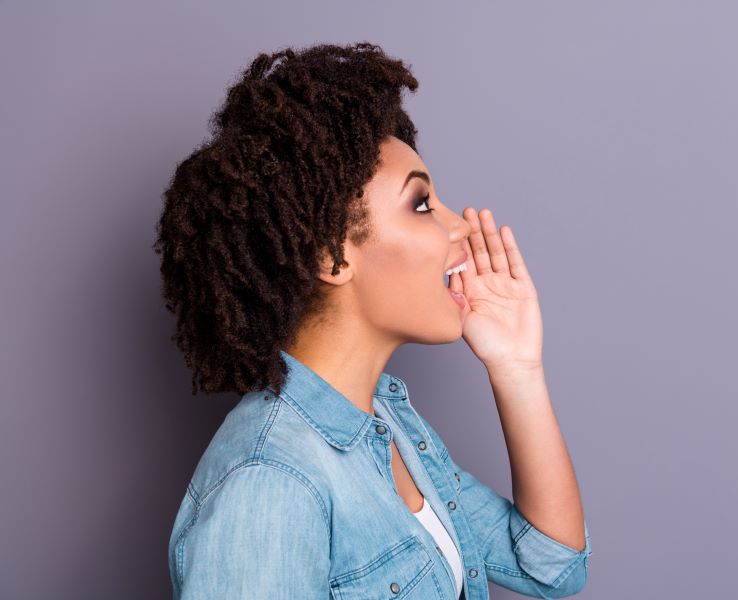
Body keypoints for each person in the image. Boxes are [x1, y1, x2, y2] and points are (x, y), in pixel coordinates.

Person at [154, 41, 592, 599]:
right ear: (332, 258)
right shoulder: (270, 483)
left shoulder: (388, 424)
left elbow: (553, 565)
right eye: (422, 204)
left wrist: (517, 366)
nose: (460, 227)